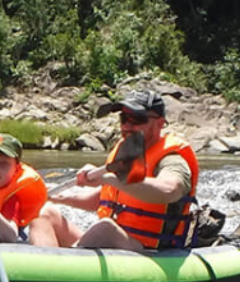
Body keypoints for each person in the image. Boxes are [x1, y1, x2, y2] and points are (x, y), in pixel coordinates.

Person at [29, 90, 199, 251]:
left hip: (151, 251)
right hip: (119, 244)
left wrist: (108, 178)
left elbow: (170, 190)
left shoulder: (172, 157)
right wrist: (58, 198)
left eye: (137, 119)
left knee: (105, 229)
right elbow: (102, 200)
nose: (127, 126)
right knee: (44, 214)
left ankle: (64, 272)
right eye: (124, 118)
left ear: (160, 123)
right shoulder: (128, 150)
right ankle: (41, 276)